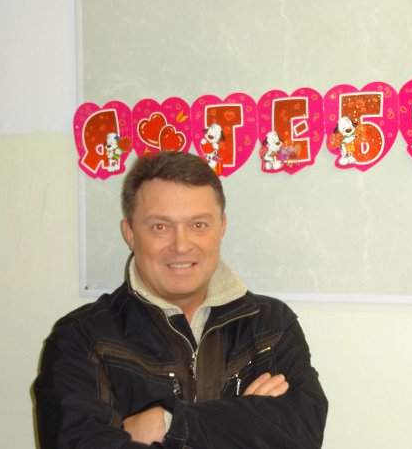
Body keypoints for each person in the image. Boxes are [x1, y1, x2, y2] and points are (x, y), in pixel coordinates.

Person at [34, 151, 328, 448]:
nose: (181, 245)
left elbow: (303, 436)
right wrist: (246, 421)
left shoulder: (272, 326)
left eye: (198, 225)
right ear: (130, 233)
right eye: (160, 227)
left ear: (222, 227)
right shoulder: (82, 338)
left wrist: (169, 423)